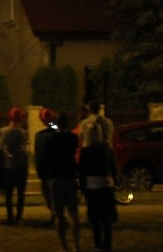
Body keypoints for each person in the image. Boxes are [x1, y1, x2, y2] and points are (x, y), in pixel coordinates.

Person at [44, 112, 81, 252]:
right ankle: (77, 245)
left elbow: (45, 160)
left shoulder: (50, 140)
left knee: (58, 213)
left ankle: (64, 247)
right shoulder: (73, 138)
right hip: (69, 177)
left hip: (55, 178)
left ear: (57, 124)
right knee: (73, 212)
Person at [79, 121, 118, 252]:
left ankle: (98, 244)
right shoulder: (107, 149)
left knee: (95, 217)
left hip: (92, 185)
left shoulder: (85, 151)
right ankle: (108, 244)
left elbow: (82, 171)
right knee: (106, 216)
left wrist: (82, 189)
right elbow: (113, 167)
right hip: (106, 184)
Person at [0, 107, 28, 224]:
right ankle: (19, 216)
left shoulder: (3, 131)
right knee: (21, 192)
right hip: (21, 164)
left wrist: (9, 155)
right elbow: (23, 147)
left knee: (9, 192)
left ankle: (10, 216)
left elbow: (1, 147)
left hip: (9, 165)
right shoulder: (24, 133)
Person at [34, 107, 58, 225]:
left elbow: (39, 155)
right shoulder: (56, 133)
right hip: (56, 168)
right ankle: (56, 213)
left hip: (46, 169)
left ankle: (54, 213)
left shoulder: (40, 136)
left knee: (48, 192)